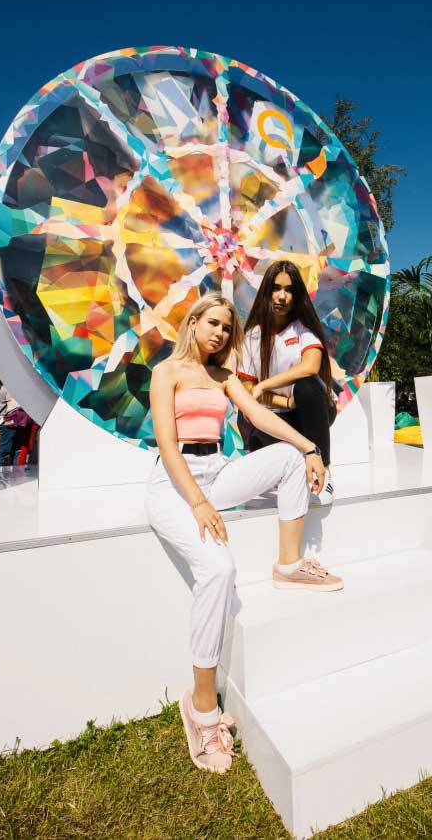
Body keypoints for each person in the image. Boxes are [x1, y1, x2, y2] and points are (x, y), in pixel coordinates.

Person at [145, 291, 343, 775]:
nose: (219, 333)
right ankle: (201, 708)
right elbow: (167, 445)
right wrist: (198, 502)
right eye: (212, 323)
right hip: (173, 484)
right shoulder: (166, 373)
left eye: (226, 328)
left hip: (217, 470)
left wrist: (311, 447)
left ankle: (289, 565)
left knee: (289, 457)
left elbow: (260, 415)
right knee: (218, 569)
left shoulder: (224, 377)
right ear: (193, 322)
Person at [237, 260, 337, 505]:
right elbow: (248, 391)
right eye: (276, 288)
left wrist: (265, 384)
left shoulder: (303, 331)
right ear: (266, 291)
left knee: (307, 385)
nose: (282, 296)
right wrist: (285, 402)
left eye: (289, 290)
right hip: (276, 416)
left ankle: (324, 470)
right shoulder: (252, 336)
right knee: (245, 412)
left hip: (311, 412)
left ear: (297, 296)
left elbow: (310, 367)